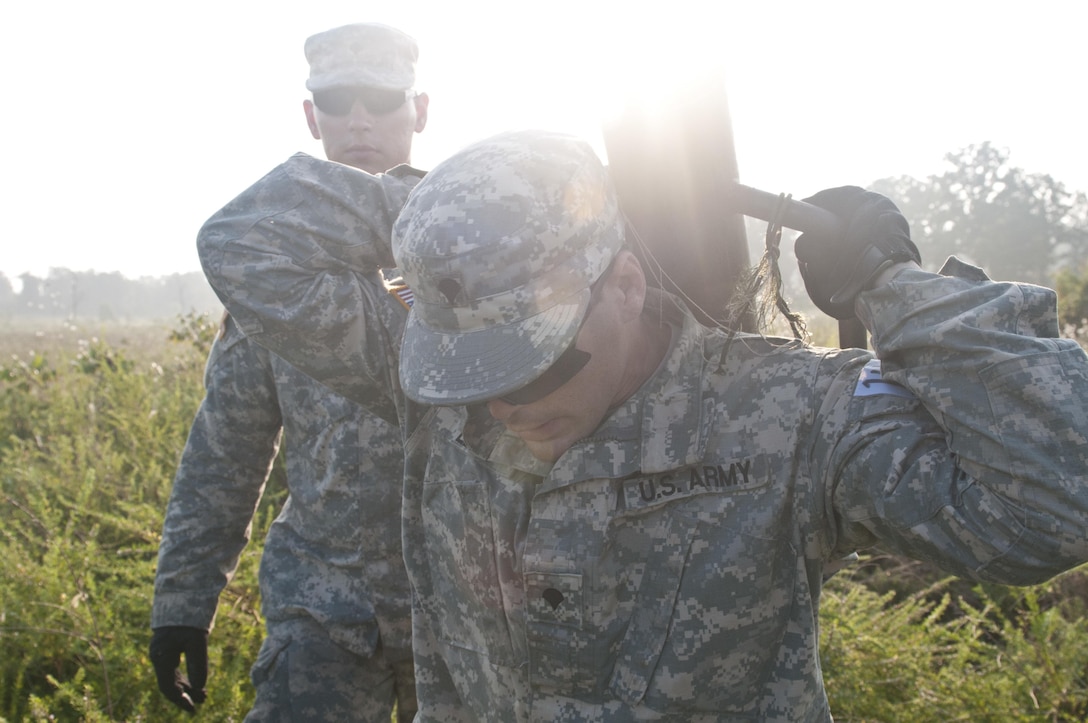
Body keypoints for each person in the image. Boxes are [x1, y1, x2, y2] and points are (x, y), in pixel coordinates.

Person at [196, 129, 1088, 721]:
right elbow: (245, 237)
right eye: (471, 374)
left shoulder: (786, 414)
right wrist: (472, 223)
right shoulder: (440, 385)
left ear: (624, 281)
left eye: (543, 360)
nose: (503, 402)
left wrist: (898, 289)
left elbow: (1053, 501)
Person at [149, 22, 427, 721]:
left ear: (419, 110)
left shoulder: (483, 255)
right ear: (312, 117)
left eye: (380, 96)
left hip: (465, 611)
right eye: (337, 100)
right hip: (326, 614)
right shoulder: (271, 275)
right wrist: (183, 602)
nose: (358, 118)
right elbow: (225, 452)